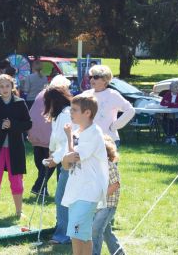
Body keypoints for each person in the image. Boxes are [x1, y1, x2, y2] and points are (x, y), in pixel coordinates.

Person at [60, 94, 109, 255]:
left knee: (77, 231)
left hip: (88, 191)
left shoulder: (93, 132)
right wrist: (68, 147)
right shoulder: (79, 132)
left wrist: (68, 143)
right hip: (77, 191)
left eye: (74, 110)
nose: (71, 113)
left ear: (87, 113)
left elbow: (73, 157)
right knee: (80, 234)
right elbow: (67, 164)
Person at [0, 74, 32, 218]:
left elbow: (28, 123)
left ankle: (19, 211)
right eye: (1, 86)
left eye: (7, 86)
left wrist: (13, 124)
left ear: (12, 87)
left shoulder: (20, 103)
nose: (5, 89)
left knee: (16, 181)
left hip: (15, 148)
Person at [42, 85, 75, 244]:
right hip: (64, 160)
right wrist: (51, 153)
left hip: (70, 161)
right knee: (63, 197)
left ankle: (64, 235)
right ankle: (64, 230)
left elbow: (67, 142)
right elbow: (55, 139)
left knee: (62, 197)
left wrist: (54, 159)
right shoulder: (58, 115)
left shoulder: (66, 114)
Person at [84, 65, 135, 146]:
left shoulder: (112, 94)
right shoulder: (86, 94)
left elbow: (130, 110)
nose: (92, 79)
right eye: (90, 77)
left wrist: (114, 126)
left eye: (96, 77)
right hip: (88, 140)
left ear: (105, 79)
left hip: (108, 140)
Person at [92, 135, 125, 255]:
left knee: (95, 230)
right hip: (100, 204)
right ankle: (119, 253)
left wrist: (99, 196)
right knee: (106, 231)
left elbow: (115, 185)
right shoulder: (96, 166)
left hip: (108, 205)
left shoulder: (109, 166)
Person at [160, 81, 178, 145]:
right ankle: (172, 138)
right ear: (171, 88)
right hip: (168, 114)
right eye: (176, 87)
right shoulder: (167, 94)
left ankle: (169, 137)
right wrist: (173, 104)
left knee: (176, 122)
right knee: (163, 122)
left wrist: (168, 103)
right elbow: (162, 103)